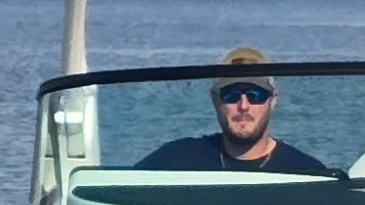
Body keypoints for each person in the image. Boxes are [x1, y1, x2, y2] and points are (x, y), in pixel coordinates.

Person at [133, 47, 336, 175]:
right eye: (231, 94)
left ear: (272, 101)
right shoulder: (173, 161)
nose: (244, 105)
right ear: (215, 100)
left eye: (255, 95)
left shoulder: (307, 174)